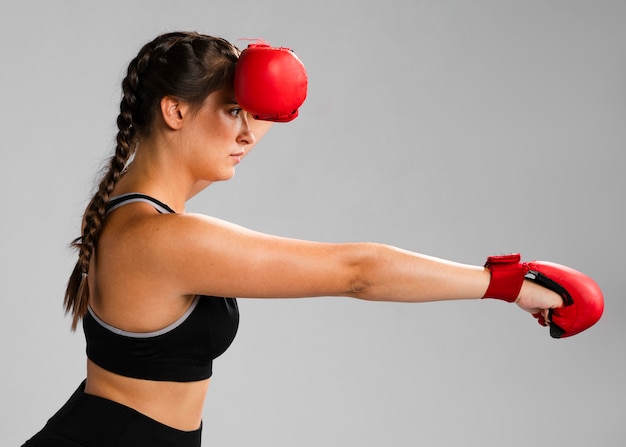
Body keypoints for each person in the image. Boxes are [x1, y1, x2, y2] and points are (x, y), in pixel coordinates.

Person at [21, 31, 599, 447]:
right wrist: (510, 284)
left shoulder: (129, 213)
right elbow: (358, 271)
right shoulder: (159, 238)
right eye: (230, 112)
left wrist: (248, 81)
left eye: (252, 114)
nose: (248, 134)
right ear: (175, 110)